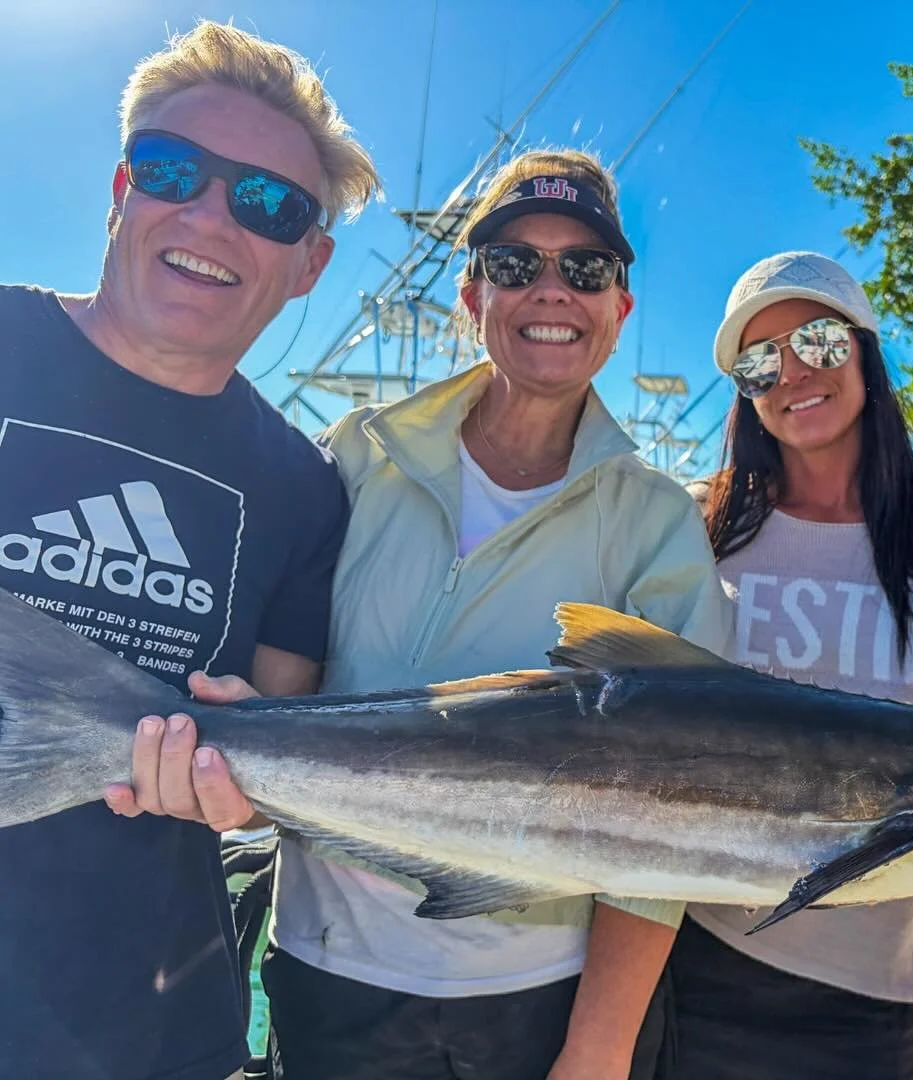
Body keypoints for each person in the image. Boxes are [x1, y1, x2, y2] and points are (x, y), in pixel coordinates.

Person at [116, 148, 735, 1080]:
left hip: (538, 997)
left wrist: (599, 1046)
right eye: (516, 265)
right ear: (471, 295)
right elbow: (289, 677)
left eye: (587, 269)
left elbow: (674, 821)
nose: (552, 291)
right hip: (326, 973)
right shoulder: (355, 455)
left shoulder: (657, 524)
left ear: (620, 310)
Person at [0, 19, 378, 1080]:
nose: (212, 214)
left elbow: (271, 729)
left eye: (268, 203)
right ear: (124, 186)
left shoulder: (303, 487)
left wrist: (246, 776)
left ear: (309, 265)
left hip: (153, 1032)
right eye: (176, 170)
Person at [666, 251, 913, 1079]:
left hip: (885, 993)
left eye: (816, 340)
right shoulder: (695, 529)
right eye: (758, 361)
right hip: (696, 963)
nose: (792, 374)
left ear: (865, 349)